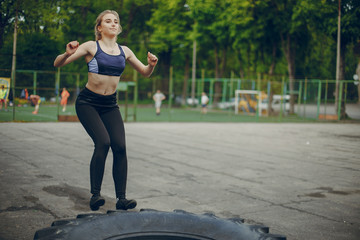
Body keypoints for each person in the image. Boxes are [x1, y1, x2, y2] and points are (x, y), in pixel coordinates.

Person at [54, 10, 158, 211]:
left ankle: (122, 199)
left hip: (110, 105)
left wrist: (151, 65)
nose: (113, 24)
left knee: (120, 146)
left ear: (118, 28)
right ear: (99, 28)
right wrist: (66, 53)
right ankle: (95, 195)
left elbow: (145, 72)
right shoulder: (91, 46)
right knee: (103, 142)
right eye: (108, 21)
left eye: (116, 21)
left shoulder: (125, 51)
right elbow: (58, 63)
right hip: (88, 103)